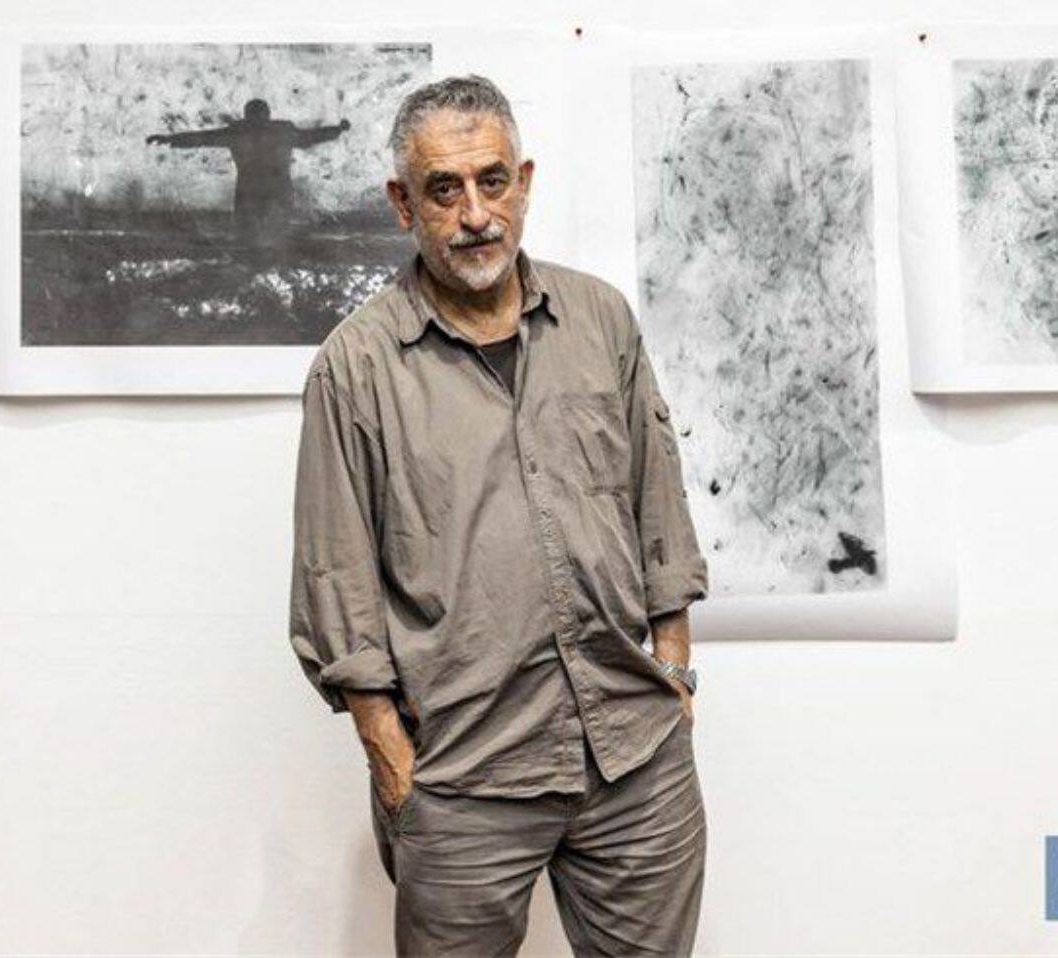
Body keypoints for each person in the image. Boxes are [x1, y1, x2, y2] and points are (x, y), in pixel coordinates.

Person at [287, 74, 713, 956]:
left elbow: (658, 501)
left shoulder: (601, 319)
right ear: (403, 203)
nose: (475, 214)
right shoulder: (354, 368)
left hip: (635, 757)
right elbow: (335, 575)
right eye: (444, 190)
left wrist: (674, 667)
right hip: (462, 776)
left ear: (523, 182)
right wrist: (391, 757)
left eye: (491, 182)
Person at [145, 98, 350, 242]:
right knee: (259, 236)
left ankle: (260, 257)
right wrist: (337, 130)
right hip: (266, 190)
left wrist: (169, 139)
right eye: (256, 119)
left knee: (262, 235)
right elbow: (311, 137)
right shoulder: (274, 131)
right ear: (266, 115)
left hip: (258, 190)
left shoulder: (243, 132)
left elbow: (201, 138)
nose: (258, 124)